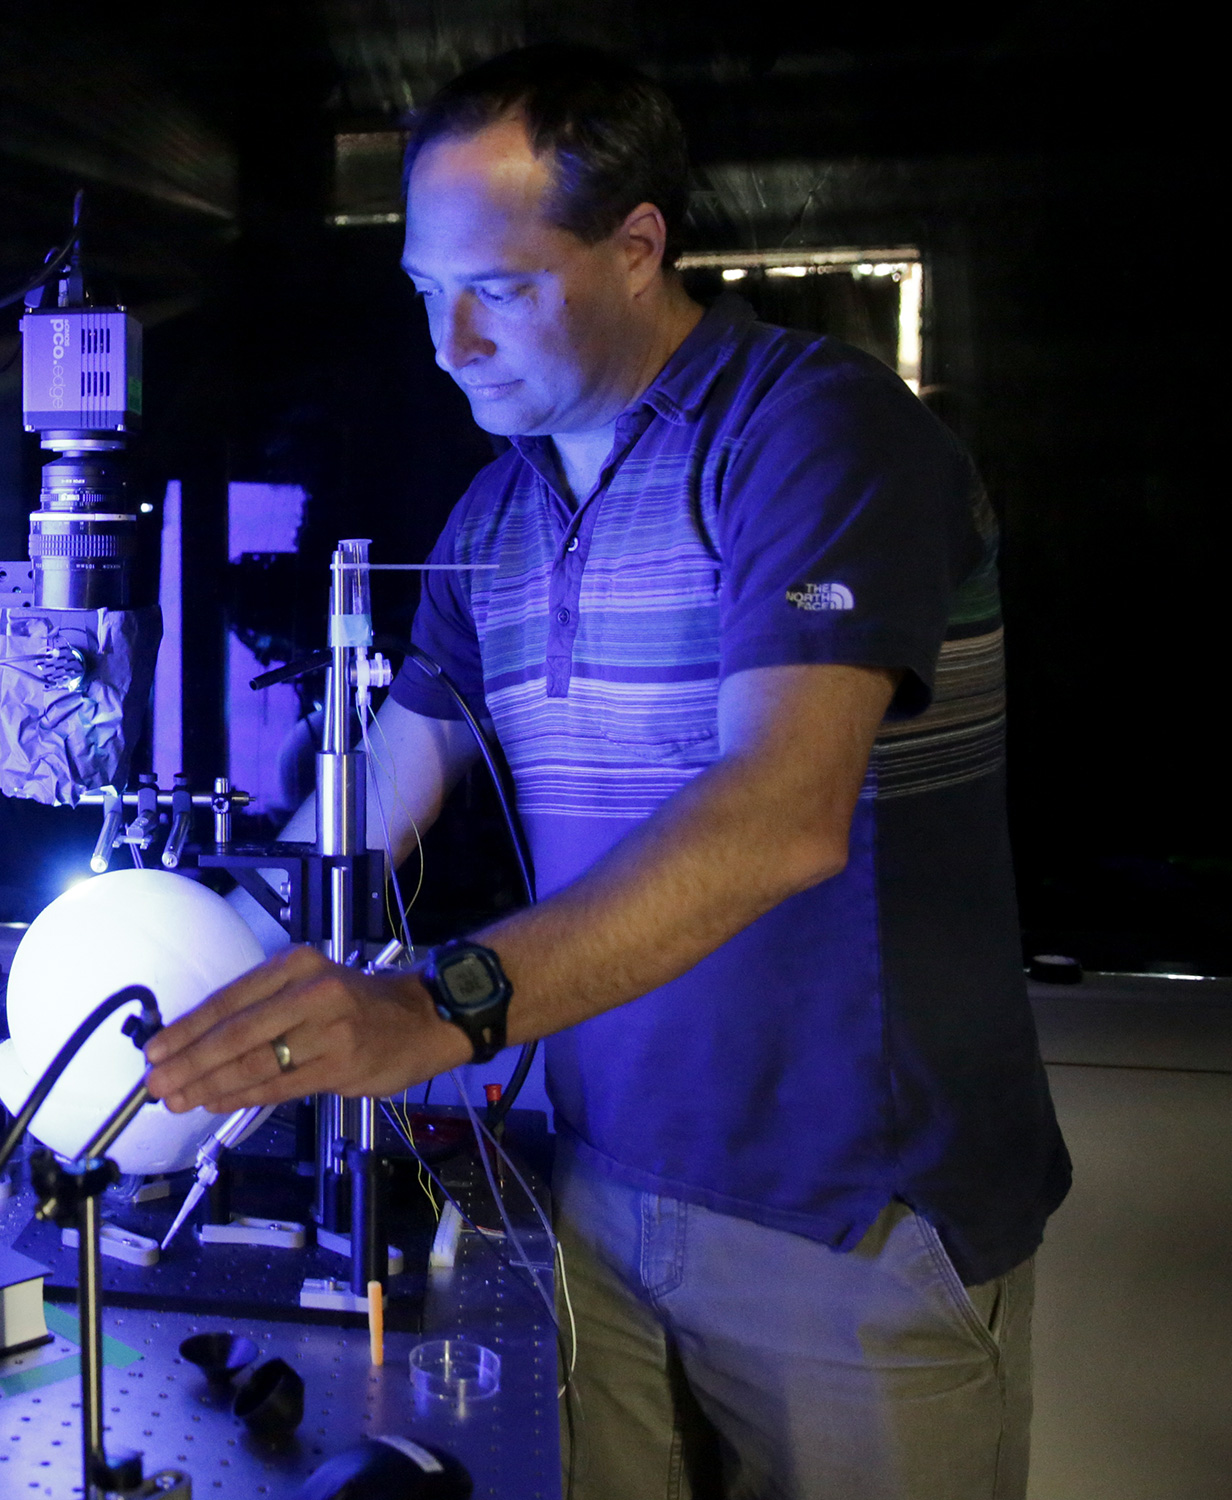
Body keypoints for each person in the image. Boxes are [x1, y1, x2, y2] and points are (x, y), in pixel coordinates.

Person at [144, 43, 1069, 1500]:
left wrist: (429, 1011)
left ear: (639, 246)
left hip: (847, 1219)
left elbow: (781, 818)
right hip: (600, 1196)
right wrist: (169, 956)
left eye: (499, 287)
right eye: (422, 293)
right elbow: (369, 809)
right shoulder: (493, 519)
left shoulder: (812, 438)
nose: (448, 341)